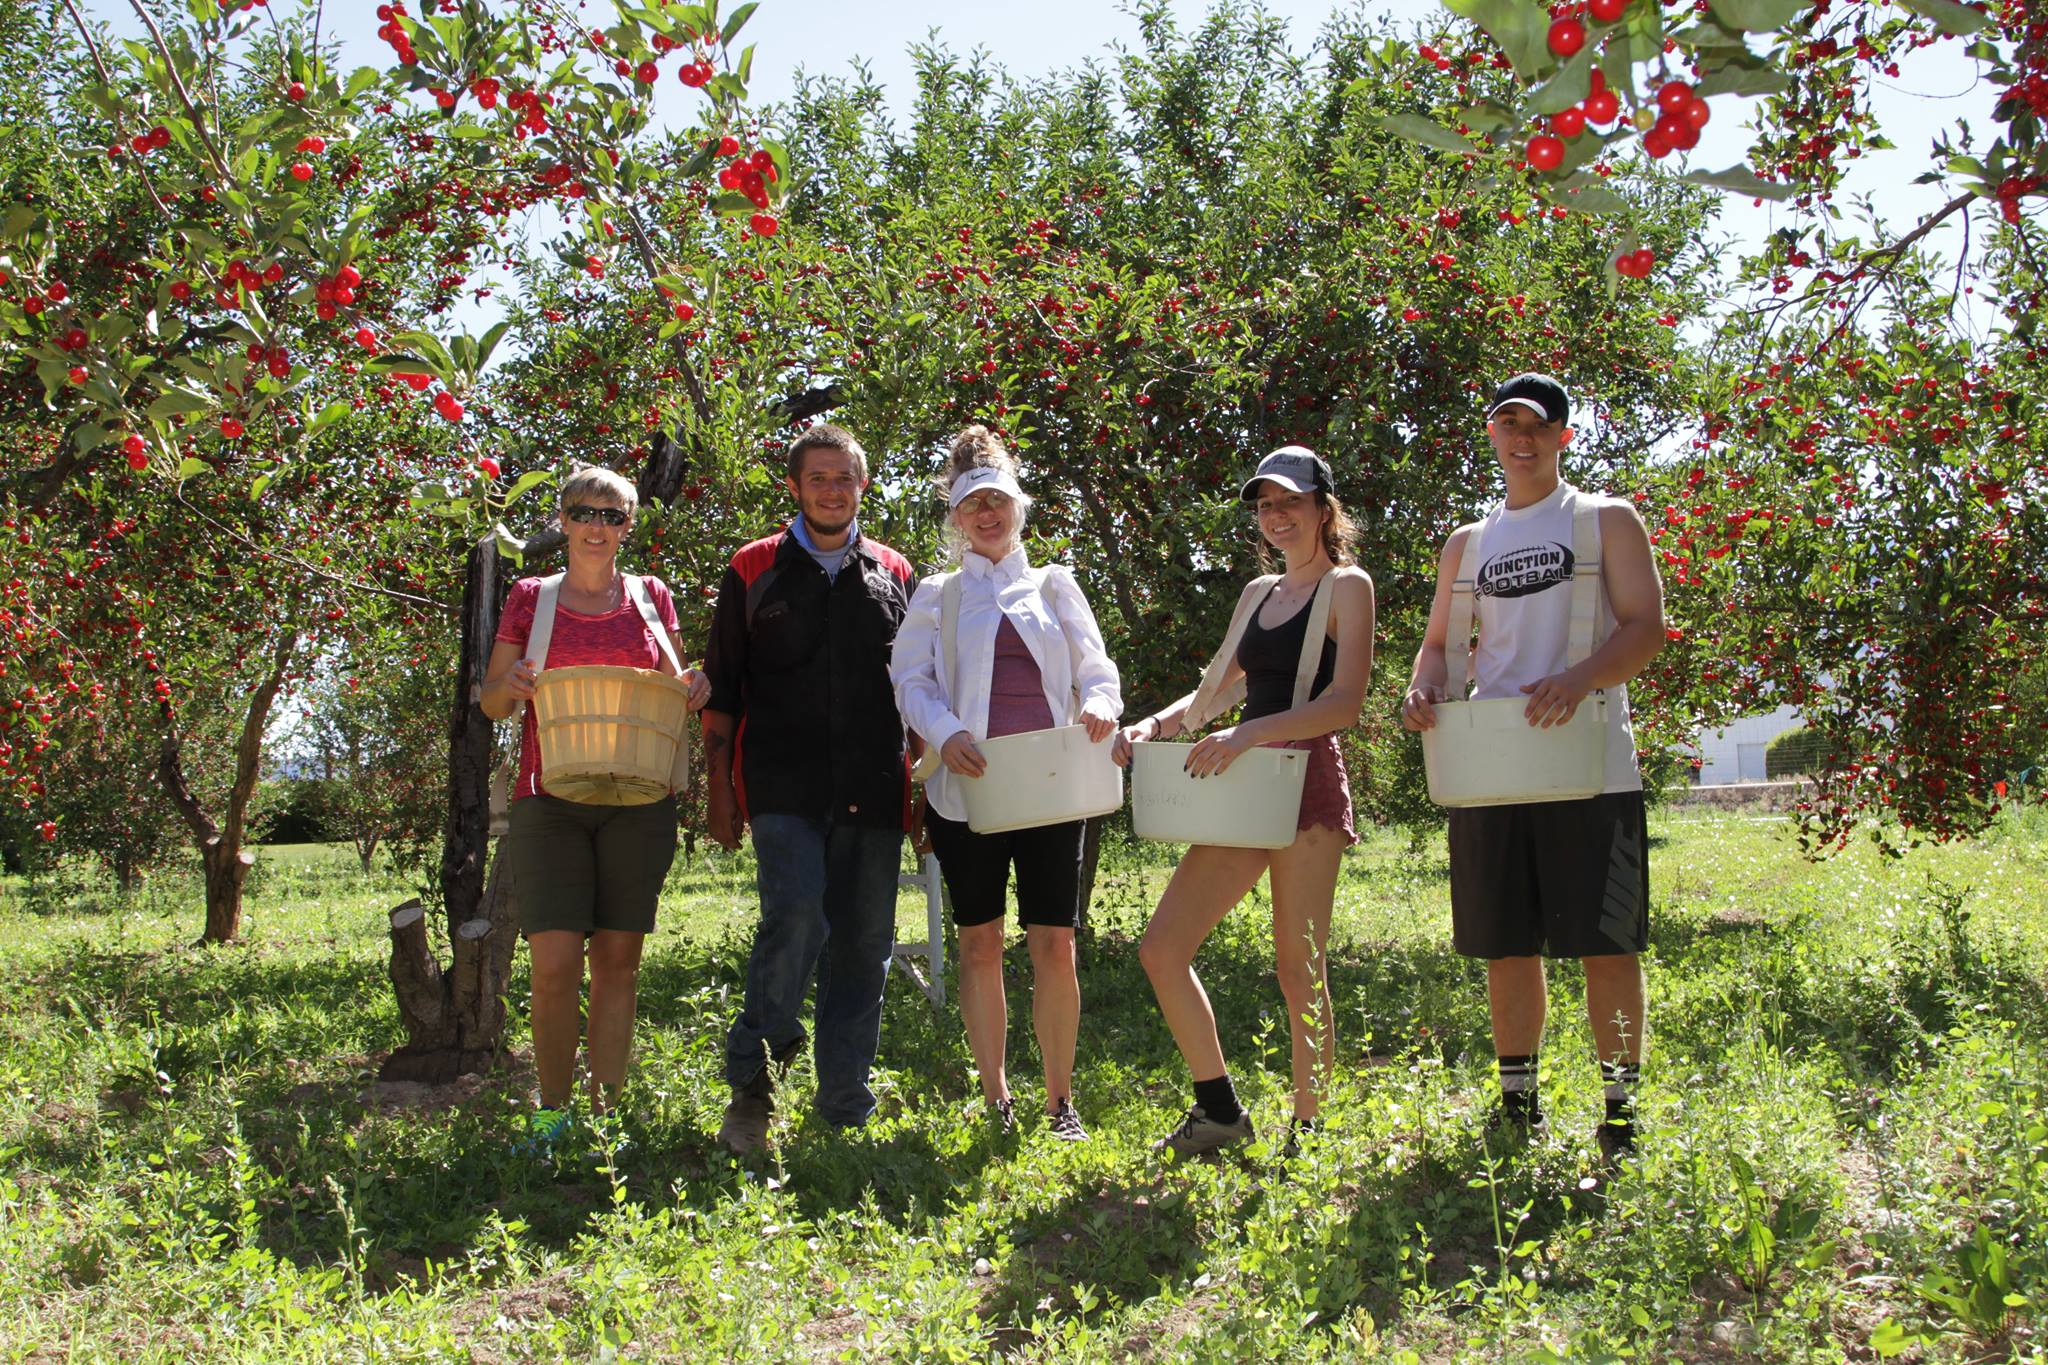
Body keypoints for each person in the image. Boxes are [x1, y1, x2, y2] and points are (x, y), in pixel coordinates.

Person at [1400, 373, 1665, 1163]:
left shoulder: (1605, 519)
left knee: (1605, 943)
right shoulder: (1468, 542)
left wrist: (1581, 676)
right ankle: (1518, 1103)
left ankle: (1621, 1111)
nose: (1520, 438)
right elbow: (1442, 645)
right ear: (1491, 433)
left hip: (1591, 764)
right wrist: (1424, 687)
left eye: (1536, 426)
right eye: (1506, 423)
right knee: (1506, 942)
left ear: (1562, 437)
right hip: (1492, 765)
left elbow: (1648, 628)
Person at [1112, 446, 1375, 1158]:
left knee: (1300, 964)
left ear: (1325, 507)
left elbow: (1344, 702)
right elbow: (1217, 690)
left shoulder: (1348, 586)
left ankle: (1311, 1128)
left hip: (1302, 781)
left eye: (1291, 501)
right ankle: (1220, 1108)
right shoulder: (1259, 593)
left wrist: (1249, 733)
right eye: (1265, 504)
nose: (1277, 515)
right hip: (1242, 782)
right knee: (1163, 948)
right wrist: (1155, 725)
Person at [890, 426, 1122, 1141]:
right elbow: (910, 678)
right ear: (956, 518)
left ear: (1020, 507)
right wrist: (945, 728)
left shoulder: (1055, 584)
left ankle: (1060, 1102)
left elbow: (1098, 669)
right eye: (972, 505)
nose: (986, 515)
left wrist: (1100, 705)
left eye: (998, 501)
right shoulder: (939, 593)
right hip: (971, 791)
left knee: (1055, 941)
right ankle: (996, 1094)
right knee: (980, 940)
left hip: (1052, 787)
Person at [480, 465, 711, 1154]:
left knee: (618, 960)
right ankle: (551, 1115)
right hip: (548, 798)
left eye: (612, 515)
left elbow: (674, 681)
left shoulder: (651, 596)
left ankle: (605, 1118)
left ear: (628, 526)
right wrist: (512, 684)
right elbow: (492, 698)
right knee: (552, 963)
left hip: (638, 798)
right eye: (584, 512)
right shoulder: (531, 597)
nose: (596, 527)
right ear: (562, 519)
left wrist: (694, 683)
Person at [702, 423, 917, 1153]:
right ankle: (753, 1088)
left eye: (846, 477)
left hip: (875, 784)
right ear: (794, 486)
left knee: (863, 943)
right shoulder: (753, 566)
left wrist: (921, 791)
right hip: (781, 785)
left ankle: (844, 1101)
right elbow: (723, 689)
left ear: (864, 485)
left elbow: (916, 689)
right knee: (796, 917)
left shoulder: (896, 570)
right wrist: (718, 793)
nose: (833, 489)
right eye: (818, 477)